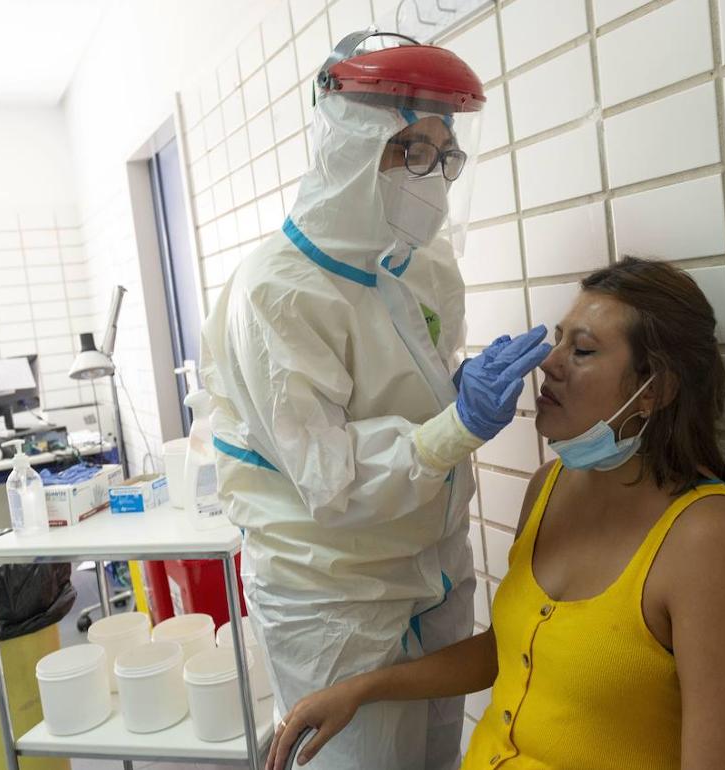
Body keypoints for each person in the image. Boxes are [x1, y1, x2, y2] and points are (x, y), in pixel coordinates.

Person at [265, 258, 725, 770]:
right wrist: (363, 689)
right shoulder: (551, 487)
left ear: (654, 390)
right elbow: (511, 651)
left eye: (583, 350)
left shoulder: (708, 539)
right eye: (558, 341)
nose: (550, 363)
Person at [199, 30, 551, 770]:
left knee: (434, 758)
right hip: (337, 600)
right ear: (348, 148)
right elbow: (331, 479)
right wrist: (455, 424)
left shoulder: (422, 266)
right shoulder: (278, 292)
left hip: (434, 568)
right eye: (408, 151)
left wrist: (454, 393)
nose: (431, 177)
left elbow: (414, 397)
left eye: (443, 155)